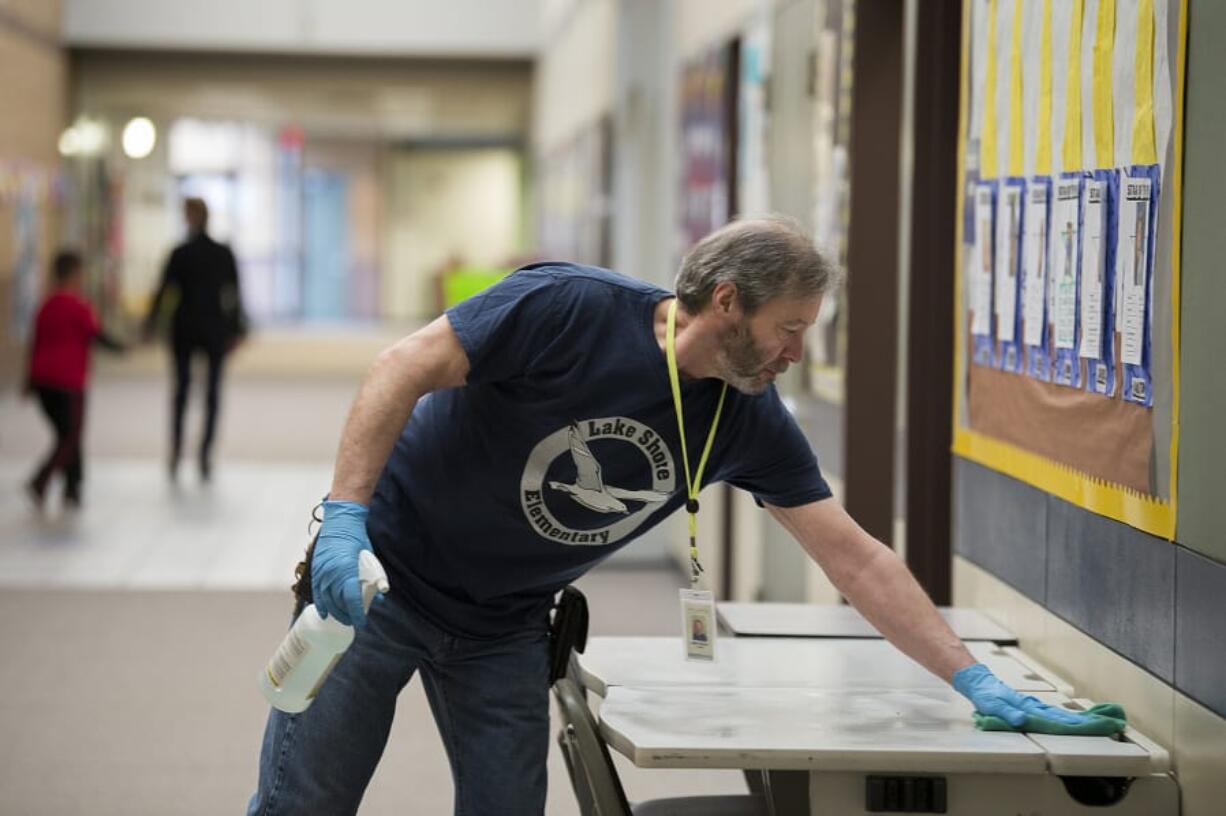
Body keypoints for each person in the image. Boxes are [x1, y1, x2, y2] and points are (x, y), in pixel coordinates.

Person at [248, 217, 1098, 816]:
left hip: (504, 626)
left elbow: (856, 558)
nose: (797, 354)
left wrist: (974, 679)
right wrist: (345, 513)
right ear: (726, 300)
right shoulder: (568, 308)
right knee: (308, 802)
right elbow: (401, 367)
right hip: (379, 584)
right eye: (788, 328)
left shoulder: (747, 416)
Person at [144, 197, 246, 482]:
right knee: (204, 393)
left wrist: (151, 324)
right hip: (208, 329)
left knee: (187, 392)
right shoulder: (216, 252)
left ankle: (187, 452)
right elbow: (234, 295)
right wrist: (237, 329)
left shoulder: (183, 252)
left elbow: (165, 291)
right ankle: (198, 453)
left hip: (190, 329)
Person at [24, 250, 124, 509]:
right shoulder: (78, 306)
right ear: (73, 274)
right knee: (70, 436)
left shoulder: (45, 305)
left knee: (67, 435)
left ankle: (72, 487)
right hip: (68, 381)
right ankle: (41, 480)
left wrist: (28, 380)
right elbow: (97, 335)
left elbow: (34, 343)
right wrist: (124, 348)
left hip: (43, 381)